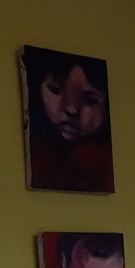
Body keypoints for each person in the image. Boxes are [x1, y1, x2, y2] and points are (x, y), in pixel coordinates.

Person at [21, 45, 114, 193]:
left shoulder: (105, 166)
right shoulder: (36, 155)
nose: (71, 109)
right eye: (56, 90)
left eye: (90, 100)